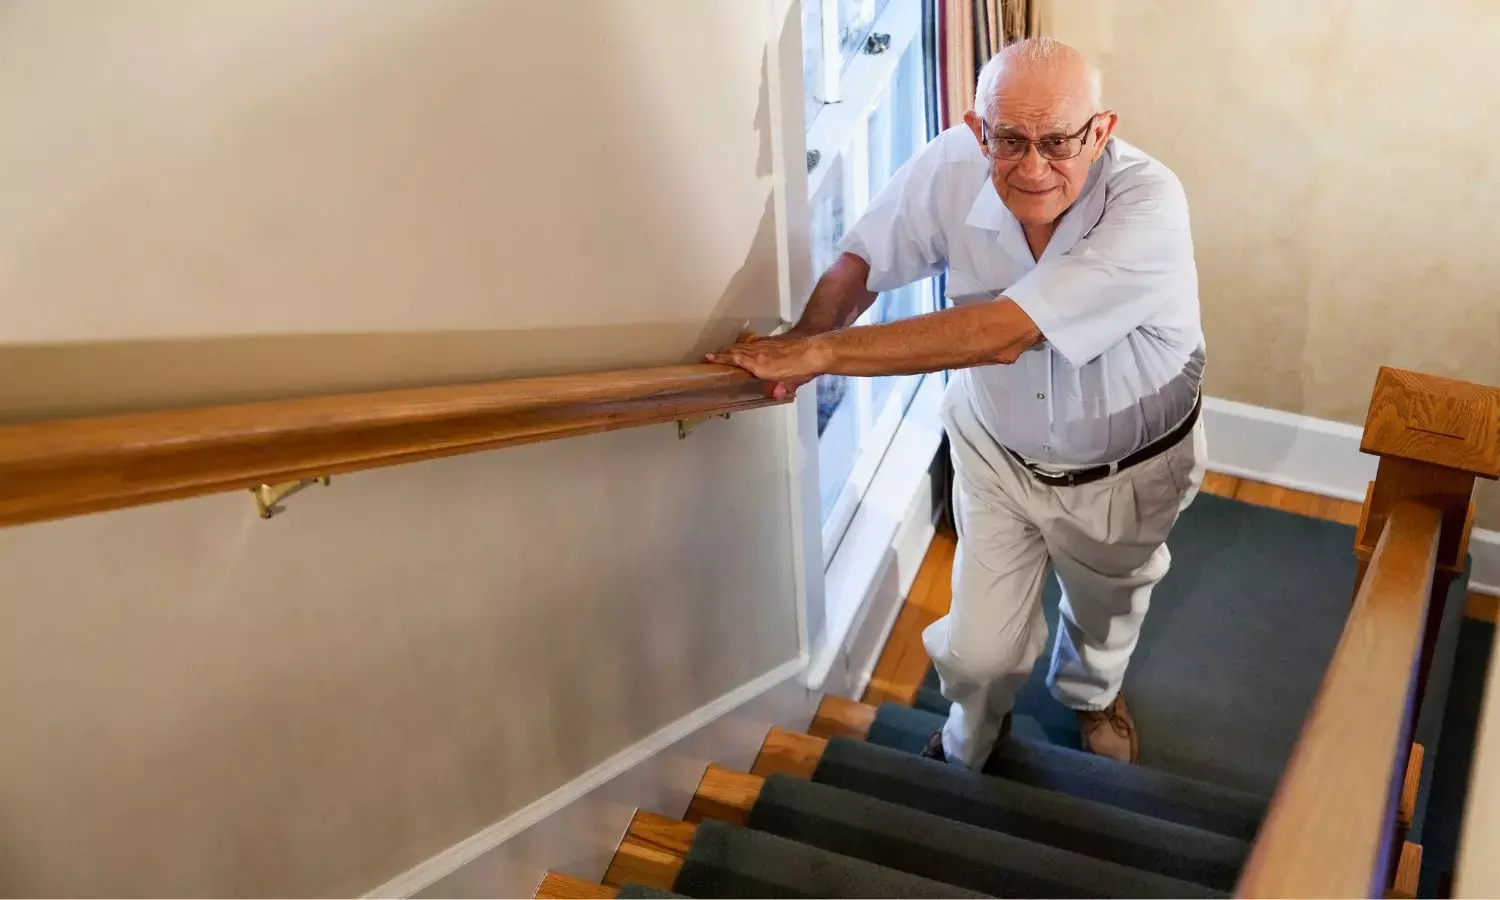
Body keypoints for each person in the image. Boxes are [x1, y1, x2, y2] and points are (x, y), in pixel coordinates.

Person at [707, 37, 1205, 767]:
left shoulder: (1149, 204)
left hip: (1127, 469)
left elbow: (1006, 333)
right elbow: (865, 257)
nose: (1033, 166)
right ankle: (974, 733)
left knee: (1105, 619)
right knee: (976, 651)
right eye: (1009, 140)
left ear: (1102, 131)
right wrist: (808, 339)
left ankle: (1092, 694)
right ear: (980, 132)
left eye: (1059, 141)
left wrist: (815, 353)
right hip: (996, 452)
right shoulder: (954, 161)